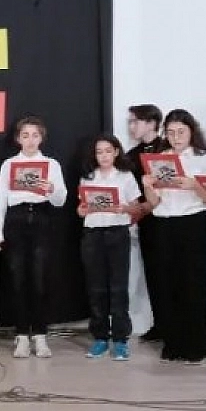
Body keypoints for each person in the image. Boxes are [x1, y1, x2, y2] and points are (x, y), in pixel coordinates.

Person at [141, 109, 206, 364]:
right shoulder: (160, 158)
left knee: (194, 286)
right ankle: (173, 344)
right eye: (171, 132)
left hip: (192, 223)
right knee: (167, 285)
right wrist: (148, 186)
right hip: (164, 225)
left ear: (191, 131)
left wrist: (194, 185)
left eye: (181, 132)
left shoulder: (204, 158)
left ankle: (196, 348)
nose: (176, 138)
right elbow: (154, 202)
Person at [0, 116, 67, 359]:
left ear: (42, 138)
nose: (30, 140)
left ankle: (40, 335)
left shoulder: (51, 164)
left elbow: (61, 201)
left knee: (39, 279)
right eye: (25, 135)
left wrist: (51, 189)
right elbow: (0, 200)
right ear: (18, 139)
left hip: (42, 219)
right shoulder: (9, 164)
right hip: (16, 219)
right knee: (18, 280)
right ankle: (22, 335)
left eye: (35, 135)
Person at [76, 134, 140, 361]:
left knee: (118, 288)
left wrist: (124, 208)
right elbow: (81, 209)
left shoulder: (125, 176)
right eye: (99, 152)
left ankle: (121, 340)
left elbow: (136, 207)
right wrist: (82, 210)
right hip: (93, 233)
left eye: (107, 151)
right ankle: (100, 338)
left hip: (117, 233)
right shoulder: (88, 177)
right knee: (96, 288)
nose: (103, 156)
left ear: (116, 152)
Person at [125, 104, 169, 342]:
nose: (131, 126)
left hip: (170, 217)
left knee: (170, 272)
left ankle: (173, 323)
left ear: (152, 123)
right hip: (145, 220)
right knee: (152, 272)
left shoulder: (167, 149)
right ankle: (160, 323)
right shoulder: (131, 155)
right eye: (130, 122)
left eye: (136, 121)